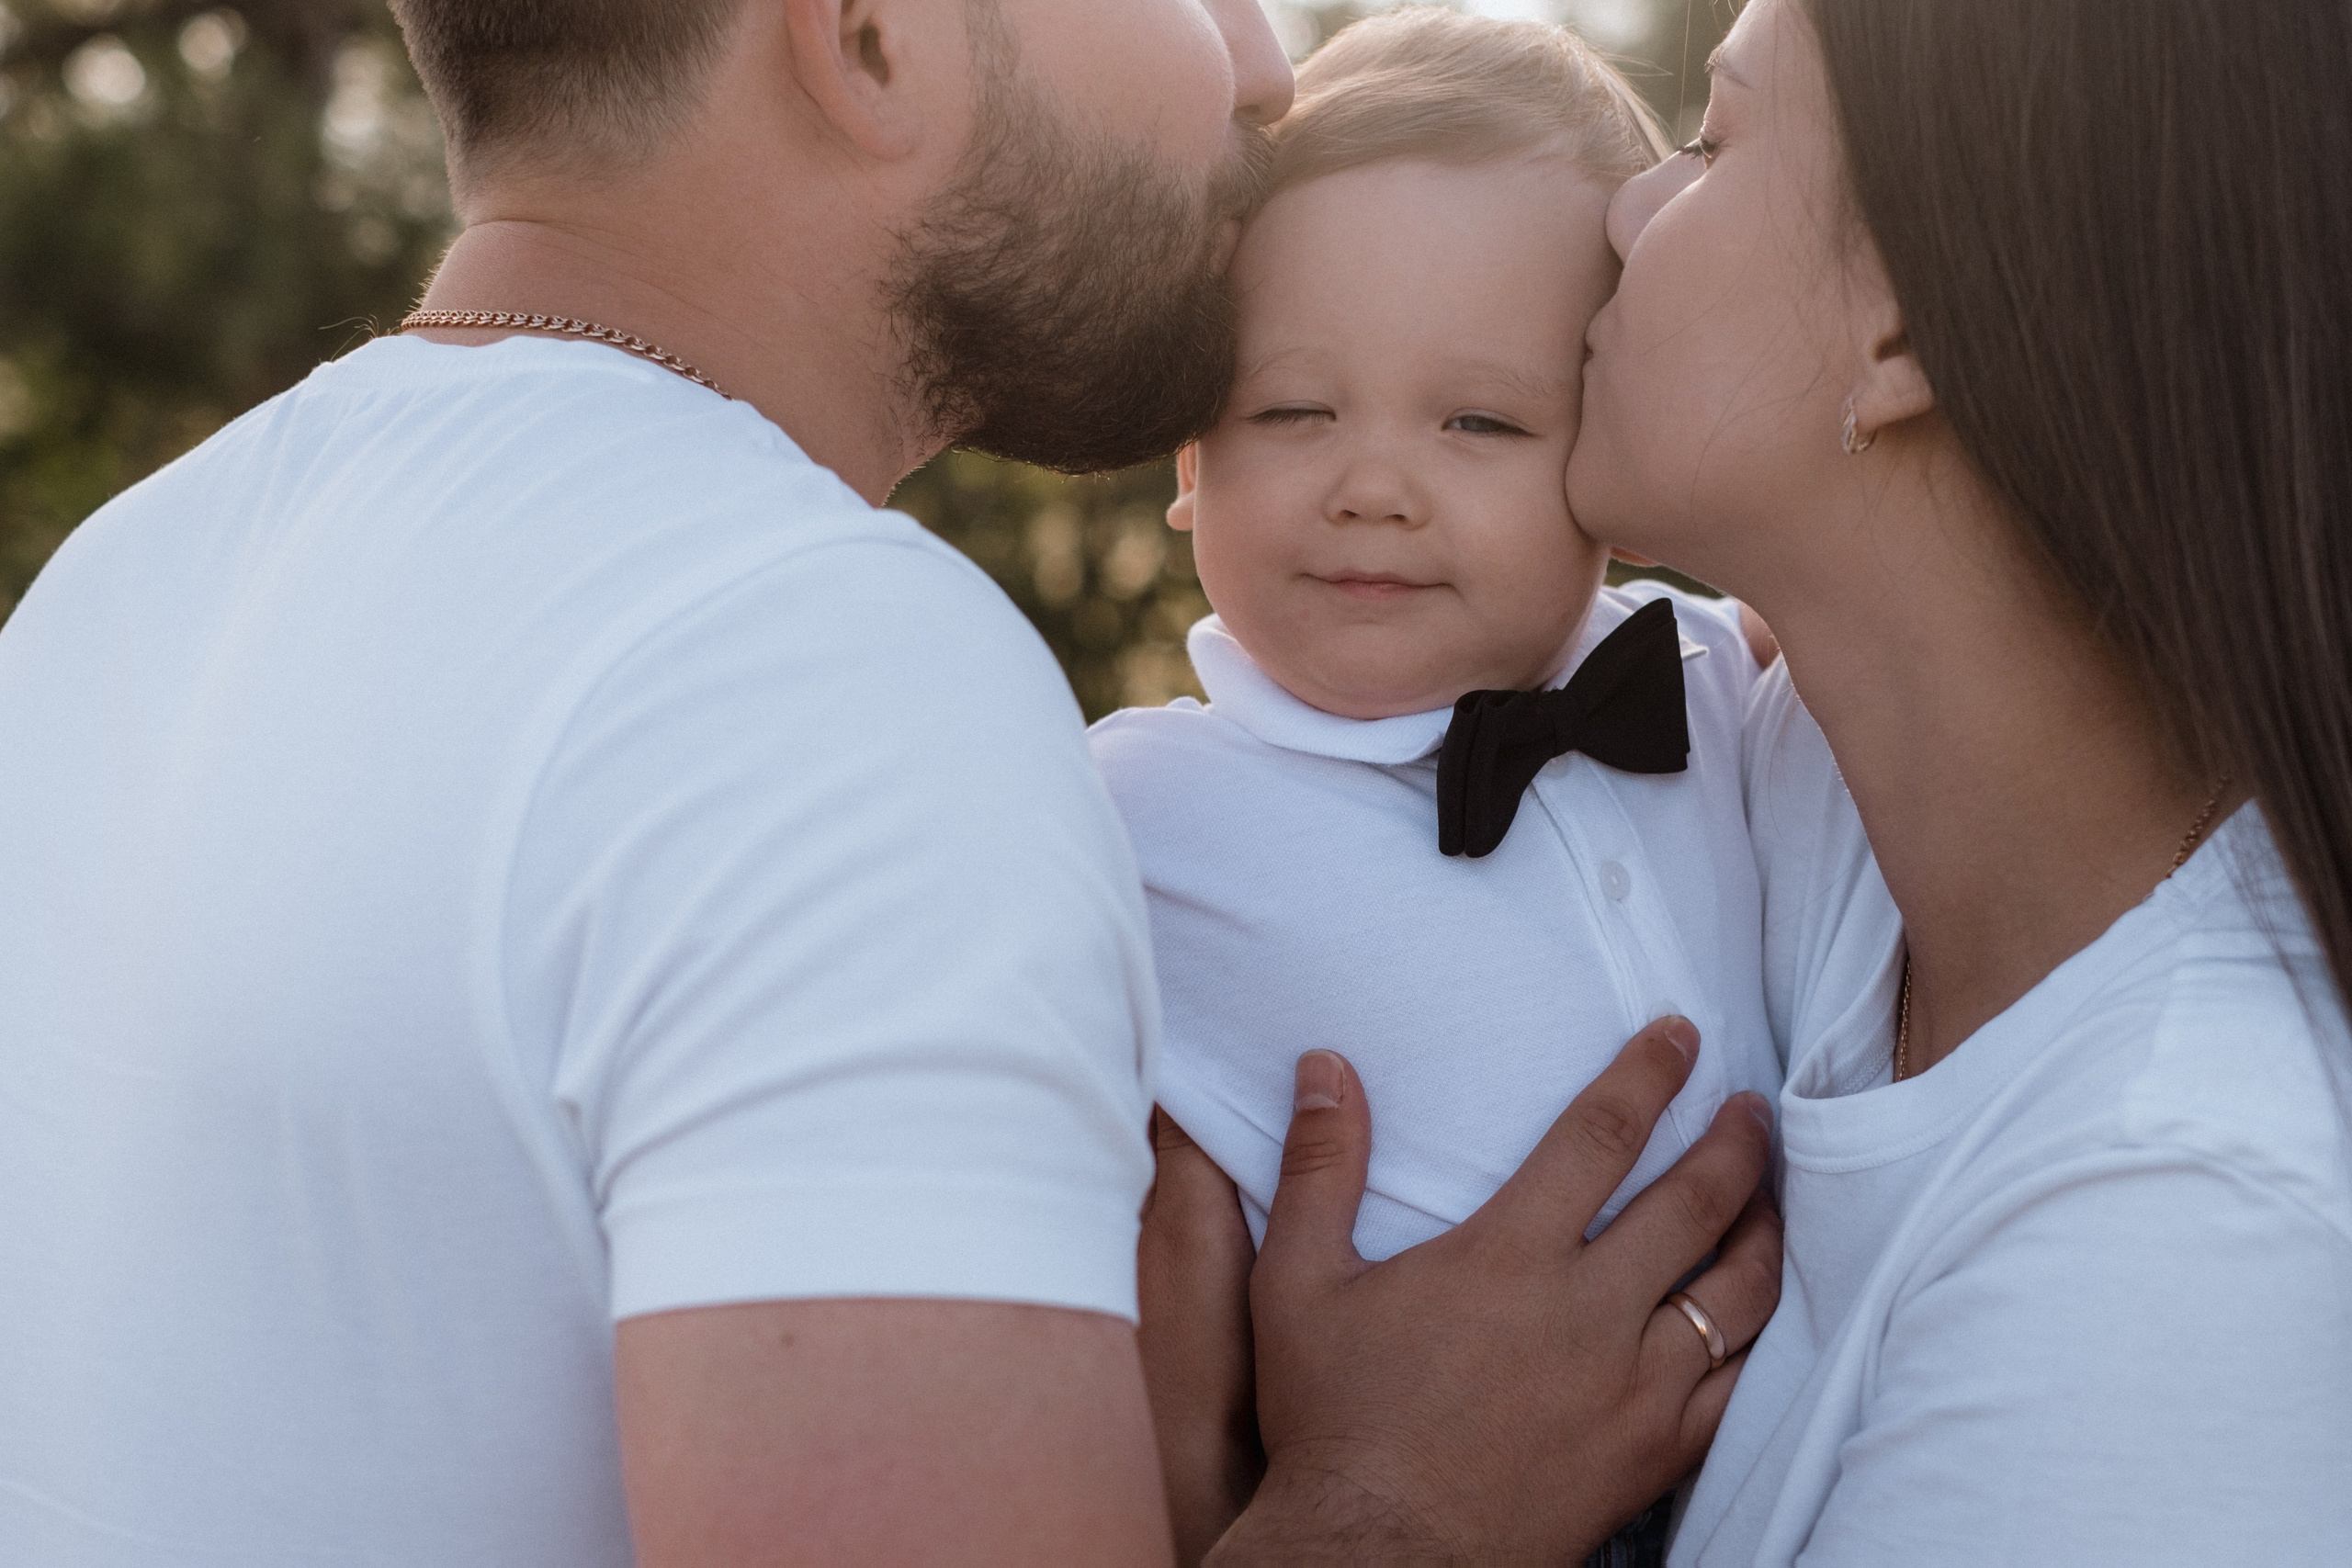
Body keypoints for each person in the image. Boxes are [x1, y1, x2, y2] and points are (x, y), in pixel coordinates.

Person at [0, 1, 1781, 1563]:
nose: (1262, 61)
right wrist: (1395, 1518)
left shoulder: (113, 592)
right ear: (866, 34)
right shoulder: (809, 674)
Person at [1560, 0, 2352, 1559]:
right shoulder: (1805, 793)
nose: (1626, 207)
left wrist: (1381, 1520)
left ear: (1905, 328)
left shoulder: (2181, 1243)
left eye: (1711, 141)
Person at [1083, 16, 1779, 1560]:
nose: (1375, 486)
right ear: (1190, 459)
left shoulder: (1719, 685)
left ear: (1613, 445)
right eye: (1291, 411)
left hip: (1784, 1479)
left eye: (1479, 422)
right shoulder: (1123, 812)